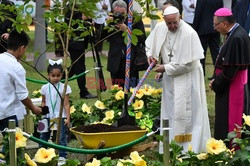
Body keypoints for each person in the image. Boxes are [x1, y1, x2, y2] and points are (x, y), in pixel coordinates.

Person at [146, 6, 211, 152]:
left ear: (180, 17)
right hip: (171, 78)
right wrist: (151, 55)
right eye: (169, 23)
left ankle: (190, 148)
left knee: (191, 114)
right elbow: (150, 46)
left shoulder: (189, 33)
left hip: (188, 77)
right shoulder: (161, 28)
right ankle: (170, 146)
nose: (172, 26)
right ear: (164, 20)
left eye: (175, 22)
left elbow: (187, 65)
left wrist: (165, 68)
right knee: (171, 110)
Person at [210, 8, 250, 141]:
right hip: (231, 85)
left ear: (224, 23)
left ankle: (229, 148)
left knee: (229, 120)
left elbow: (229, 71)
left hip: (232, 88)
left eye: (216, 25)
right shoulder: (236, 32)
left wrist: (216, 83)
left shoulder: (236, 38)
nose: (215, 28)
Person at [0, 30, 42, 136]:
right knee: (12, 146)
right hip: (7, 114)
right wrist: (33, 108)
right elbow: (22, 95)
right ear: (22, 48)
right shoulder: (17, 68)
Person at [101, 0, 146, 88]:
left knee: (132, 89)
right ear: (113, 12)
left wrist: (128, 30)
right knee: (117, 90)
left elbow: (143, 39)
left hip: (131, 60)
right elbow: (101, 38)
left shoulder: (135, 20)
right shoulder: (111, 22)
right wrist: (106, 24)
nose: (120, 15)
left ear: (127, 11)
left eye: (123, 13)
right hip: (115, 60)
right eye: (117, 13)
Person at [40, 59, 71, 160]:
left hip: (60, 116)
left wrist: (68, 117)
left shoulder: (65, 87)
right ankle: (41, 154)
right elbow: (43, 101)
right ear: (48, 75)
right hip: (47, 116)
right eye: (53, 76)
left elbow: (66, 104)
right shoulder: (44, 87)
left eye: (58, 75)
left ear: (62, 75)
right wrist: (43, 112)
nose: (56, 78)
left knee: (61, 137)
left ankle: (62, 156)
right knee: (43, 136)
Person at [65, 5, 97, 99]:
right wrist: (83, 18)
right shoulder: (72, 8)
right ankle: (83, 92)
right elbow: (70, 23)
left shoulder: (83, 7)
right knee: (79, 68)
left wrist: (88, 22)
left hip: (81, 43)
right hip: (75, 43)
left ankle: (57, 80)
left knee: (75, 67)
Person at [192, 0, 223, 79]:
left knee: (201, 52)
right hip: (215, 28)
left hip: (203, 29)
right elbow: (221, 13)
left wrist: (194, 28)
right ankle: (217, 73)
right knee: (215, 52)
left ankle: (201, 73)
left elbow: (198, 13)